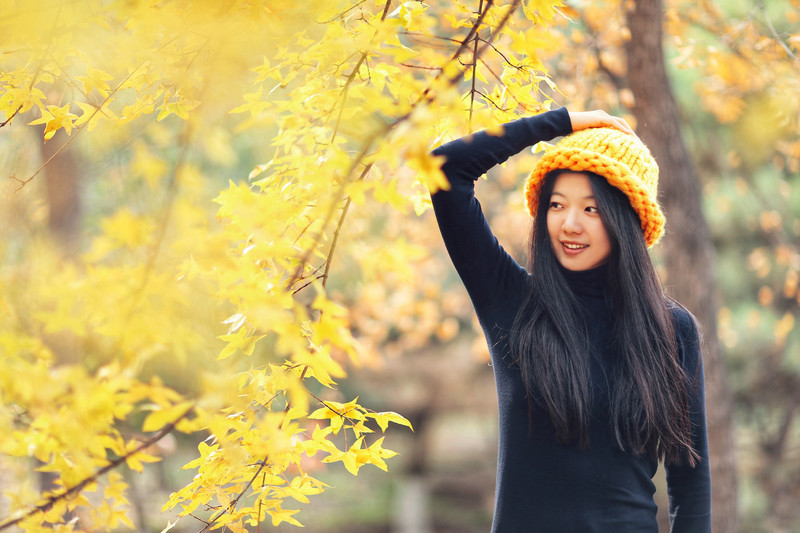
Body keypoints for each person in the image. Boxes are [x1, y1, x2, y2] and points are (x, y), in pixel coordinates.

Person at [429, 107, 711, 532]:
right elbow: (444, 170)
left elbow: (690, 482)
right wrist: (560, 123)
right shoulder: (511, 300)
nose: (569, 224)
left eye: (592, 209)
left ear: (625, 220)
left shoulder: (672, 329)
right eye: (556, 205)